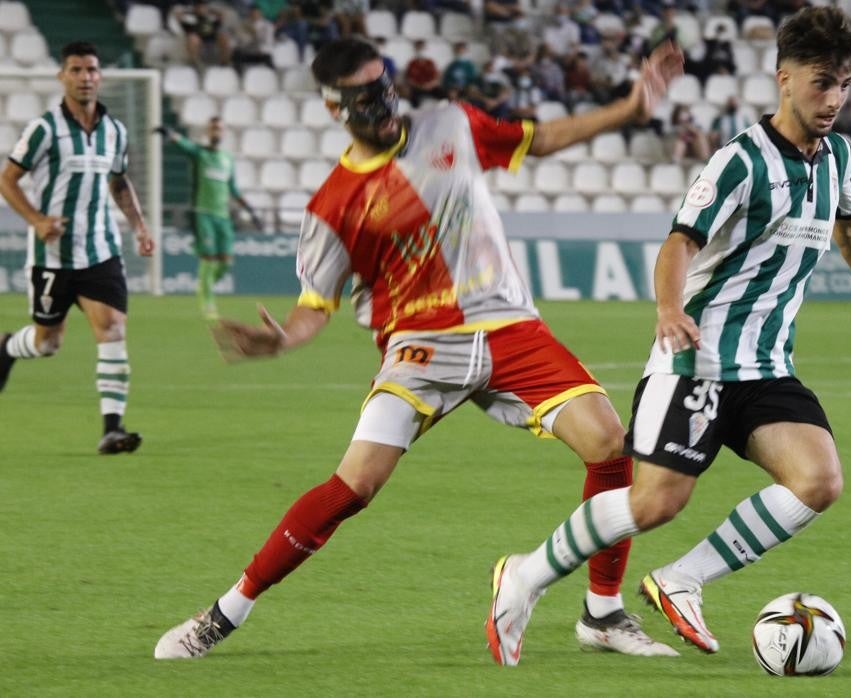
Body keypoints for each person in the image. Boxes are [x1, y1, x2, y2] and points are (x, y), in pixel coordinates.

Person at [153, 36, 687, 661]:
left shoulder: (451, 124)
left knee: (608, 444)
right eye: (363, 96)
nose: (382, 102)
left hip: (510, 327)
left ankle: (602, 612)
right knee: (353, 487)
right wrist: (280, 340)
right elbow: (312, 307)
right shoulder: (333, 207)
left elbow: (535, 139)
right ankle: (224, 612)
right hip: (421, 346)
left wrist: (629, 108)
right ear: (333, 108)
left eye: (385, 86)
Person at [485, 6, 851, 666]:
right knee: (656, 501)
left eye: (844, 84)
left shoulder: (837, 157)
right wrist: (668, 309)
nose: (833, 99)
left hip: (766, 366)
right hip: (697, 360)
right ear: (784, 78)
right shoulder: (739, 162)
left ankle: (681, 580)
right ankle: (524, 575)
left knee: (819, 480)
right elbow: (677, 244)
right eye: (821, 82)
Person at [0, 41, 155, 453]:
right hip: (54, 255)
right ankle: (7, 347)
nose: (85, 77)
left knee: (113, 329)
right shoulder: (44, 129)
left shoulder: (115, 131)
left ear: (100, 76)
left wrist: (139, 226)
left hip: (102, 250)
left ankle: (112, 428)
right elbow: (7, 179)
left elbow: (119, 183)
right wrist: (36, 220)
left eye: (91, 70)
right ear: (62, 76)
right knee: (46, 343)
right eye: (76, 70)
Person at [155, 117, 262, 319]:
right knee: (209, 259)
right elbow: (184, 145)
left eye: (220, 128)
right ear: (208, 131)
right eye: (213, 128)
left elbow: (233, 189)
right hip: (203, 213)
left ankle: (205, 286)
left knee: (226, 263)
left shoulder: (227, 159)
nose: (217, 131)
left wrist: (252, 211)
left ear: (224, 133)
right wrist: (170, 134)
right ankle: (208, 303)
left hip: (223, 217)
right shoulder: (200, 153)